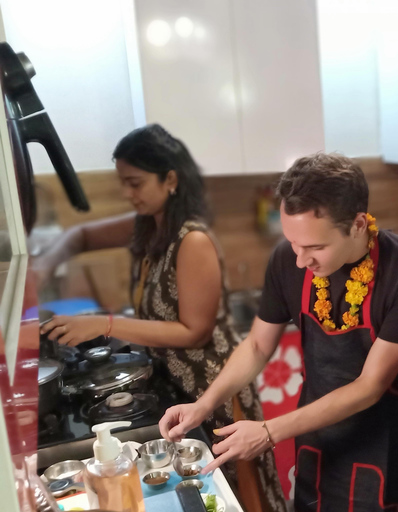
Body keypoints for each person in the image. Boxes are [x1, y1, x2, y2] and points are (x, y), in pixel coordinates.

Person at [158, 153, 398, 512]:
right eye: (293, 242)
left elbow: (370, 386)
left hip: (381, 444)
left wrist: (270, 431)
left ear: (357, 224)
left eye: (316, 247)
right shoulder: (285, 261)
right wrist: (204, 404)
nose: (301, 260)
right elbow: (258, 345)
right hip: (314, 437)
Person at [36, 124, 285, 512]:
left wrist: (104, 323)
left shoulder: (192, 240)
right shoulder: (149, 226)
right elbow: (81, 236)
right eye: (122, 183)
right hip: (180, 390)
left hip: (213, 389)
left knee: (238, 493)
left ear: (170, 179)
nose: (127, 194)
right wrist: (41, 267)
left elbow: (194, 330)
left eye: (135, 183)